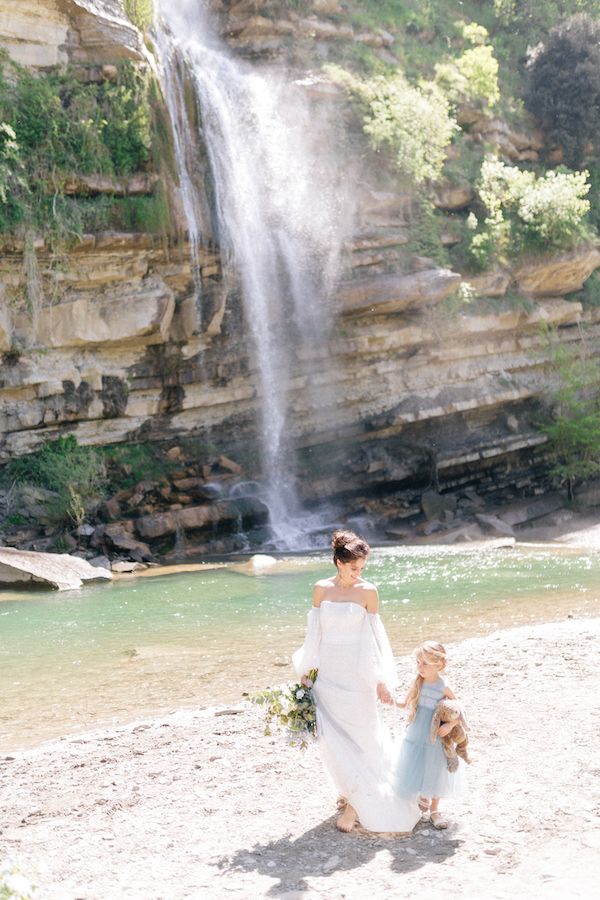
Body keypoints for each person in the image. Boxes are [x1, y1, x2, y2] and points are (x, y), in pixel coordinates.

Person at [292, 529, 420, 834]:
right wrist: (308, 671)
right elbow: (315, 634)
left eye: (361, 568)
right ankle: (350, 791)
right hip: (327, 674)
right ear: (338, 561)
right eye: (353, 567)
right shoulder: (320, 589)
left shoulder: (368, 592)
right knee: (333, 738)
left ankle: (356, 803)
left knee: (364, 735)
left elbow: (374, 640)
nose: (358, 573)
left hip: (357, 673)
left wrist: (379, 681)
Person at [394, 640, 467, 829]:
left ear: (439, 665)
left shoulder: (443, 686)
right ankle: (421, 797)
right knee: (416, 762)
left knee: (436, 768)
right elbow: (405, 703)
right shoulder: (419, 682)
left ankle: (435, 810)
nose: (420, 667)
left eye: (425, 663)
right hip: (417, 731)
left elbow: (460, 712)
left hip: (436, 734)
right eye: (418, 662)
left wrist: (450, 725)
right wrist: (391, 700)